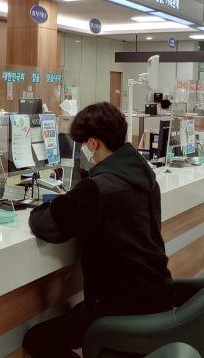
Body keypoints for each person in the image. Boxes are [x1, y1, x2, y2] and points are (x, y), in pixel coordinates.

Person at [23, 102, 175, 358]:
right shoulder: (145, 176)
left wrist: (59, 203)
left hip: (119, 308)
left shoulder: (96, 189)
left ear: (93, 143)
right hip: (157, 296)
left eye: (84, 144)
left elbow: (45, 225)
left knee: (38, 339)